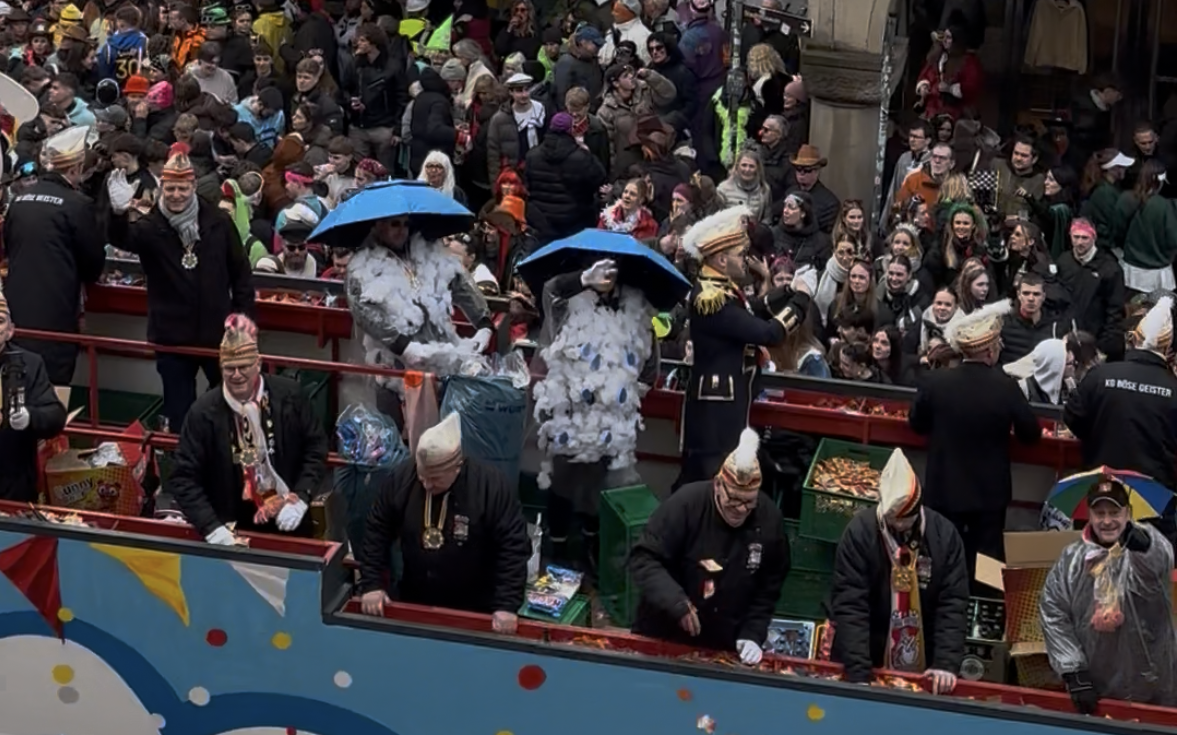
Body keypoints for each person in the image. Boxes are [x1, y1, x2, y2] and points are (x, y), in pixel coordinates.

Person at [107, 143, 256, 432]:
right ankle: (183, 471)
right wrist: (117, 213)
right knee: (179, 416)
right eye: (170, 189)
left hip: (219, 335)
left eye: (182, 189)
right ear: (162, 188)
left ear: (193, 186)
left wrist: (243, 320)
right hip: (172, 338)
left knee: (227, 411)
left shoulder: (218, 222)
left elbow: (241, 275)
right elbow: (123, 239)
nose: (176, 195)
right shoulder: (151, 227)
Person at [534, 257, 659, 570]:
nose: (607, 278)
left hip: (612, 420)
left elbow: (650, 364)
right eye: (601, 272)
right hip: (570, 414)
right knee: (562, 481)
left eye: (612, 273)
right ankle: (556, 549)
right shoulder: (569, 305)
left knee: (598, 487)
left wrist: (632, 390)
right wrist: (582, 279)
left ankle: (591, 551)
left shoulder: (635, 310)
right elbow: (550, 292)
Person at [674, 206, 811, 488]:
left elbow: (751, 308)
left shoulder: (721, 286)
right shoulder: (711, 298)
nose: (745, 261)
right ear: (722, 260)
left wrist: (786, 292)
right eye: (739, 255)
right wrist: (800, 303)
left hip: (727, 401)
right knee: (710, 480)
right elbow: (768, 333)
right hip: (716, 412)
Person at [356, 412, 530, 632]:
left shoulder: (490, 487)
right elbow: (376, 530)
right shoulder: (402, 479)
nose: (427, 484)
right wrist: (372, 584)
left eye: (435, 478)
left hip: (475, 607)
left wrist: (507, 605)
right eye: (422, 476)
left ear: (457, 466)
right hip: (415, 601)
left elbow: (513, 547)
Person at [909, 300, 1042, 583]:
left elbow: (917, 425)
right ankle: (986, 619)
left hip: (944, 488)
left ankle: (938, 612)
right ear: (990, 350)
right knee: (988, 564)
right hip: (989, 494)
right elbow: (1030, 435)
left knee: (940, 558)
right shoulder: (1006, 387)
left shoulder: (936, 383)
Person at [630, 429, 788, 663]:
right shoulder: (685, 505)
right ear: (717, 485)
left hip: (723, 643)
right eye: (733, 499)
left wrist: (753, 633)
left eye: (748, 502)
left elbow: (769, 587)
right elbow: (643, 558)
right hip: (665, 632)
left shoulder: (769, 520)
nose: (740, 509)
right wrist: (676, 603)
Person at [170, 316, 328, 544]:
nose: (236, 375)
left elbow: (316, 448)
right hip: (229, 527)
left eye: (243, 366)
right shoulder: (203, 413)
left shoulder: (291, 397)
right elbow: (183, 477)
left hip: (290, 520)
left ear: (259, 363)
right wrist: (212, 528)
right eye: (229, 368)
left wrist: (302, 497)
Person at [829, 448, 968, 693]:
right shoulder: (859, 533)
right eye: (891, 518)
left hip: (925, 658)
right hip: (867, 650)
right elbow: (851, 605)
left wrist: (946, 663)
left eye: (904, 520)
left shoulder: (944, 536)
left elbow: (952, 603)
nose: (897, 525)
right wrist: (859, 674)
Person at [346, 198, 493, 423]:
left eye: (406, 224)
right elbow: (365, 311)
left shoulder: (427, 252)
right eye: (395, 224)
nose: (402, 231)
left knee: (445, 438)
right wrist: (403, 346)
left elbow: (458, 281)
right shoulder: (362, 266)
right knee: (399, 433)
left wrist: (483, 323)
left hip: (441, 361)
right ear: (378, 226)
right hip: (394, 367)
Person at [1041, 477, 1177, 711]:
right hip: (1095, 685)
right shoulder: (1071, 560)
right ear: (1089, 514)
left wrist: (1145, 548)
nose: (1107, 521)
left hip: (1152, 680)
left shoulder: (1144, 543)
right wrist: (1074, 671)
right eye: (1099, 513)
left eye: (1115, 512)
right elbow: (1054, 613)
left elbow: (1158, 569)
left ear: (1128, 512)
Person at [1064, 297, 1177, 546]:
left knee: (1095, 569)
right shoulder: (1173, 389)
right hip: (1155, 502)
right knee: (1147, 575)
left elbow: (1072, 419)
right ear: (1168, 350)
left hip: (1102, 494)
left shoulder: (1101, 375)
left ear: (1133, 340)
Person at [3, 125, 105, 386]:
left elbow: (10, 245)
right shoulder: (78, 205)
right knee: (52, 387)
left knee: (16, 383)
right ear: (74, 169)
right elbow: (93, 265)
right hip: (56, 315)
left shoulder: (19, 200)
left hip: (16, 312)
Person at [0, 292, 68, 501]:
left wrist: (29, 417)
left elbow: (55, 415)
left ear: (10, 331)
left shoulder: (29, 364)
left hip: (12, 481)